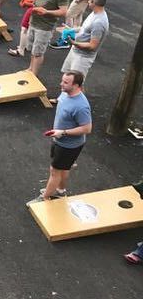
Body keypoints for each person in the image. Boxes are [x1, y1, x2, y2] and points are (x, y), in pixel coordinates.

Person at [29, 71, 92, 203]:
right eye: (62, 80)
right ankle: (60, 191)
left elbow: (87, 128)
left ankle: (45, 197)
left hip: (69, 145)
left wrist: (62, 132)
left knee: (55, 170)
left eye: (65, 82)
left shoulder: (81, 106)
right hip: (59, 139)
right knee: (64, 167)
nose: (61, 84)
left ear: (76, 85)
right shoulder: (65, 93)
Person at [23, 0, 70, 77]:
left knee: (38, 52)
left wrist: (47, 12)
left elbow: (64, 12)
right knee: (33, 50)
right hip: (34, 21)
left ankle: (34, 75)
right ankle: (30, 69)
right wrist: (29, 2)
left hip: (45, 27)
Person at [54, 0, 109, 83]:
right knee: (67, 79)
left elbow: (92, 46)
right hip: (75, 51)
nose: (87, 1)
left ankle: (78, 98)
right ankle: (63, 97)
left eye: (89, 0)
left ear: (94, 3)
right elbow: (84, 29)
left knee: (76, 84)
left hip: (82, 58)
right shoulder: (94, 13)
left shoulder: (99, 23)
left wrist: (73, 43)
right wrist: (70, 29)